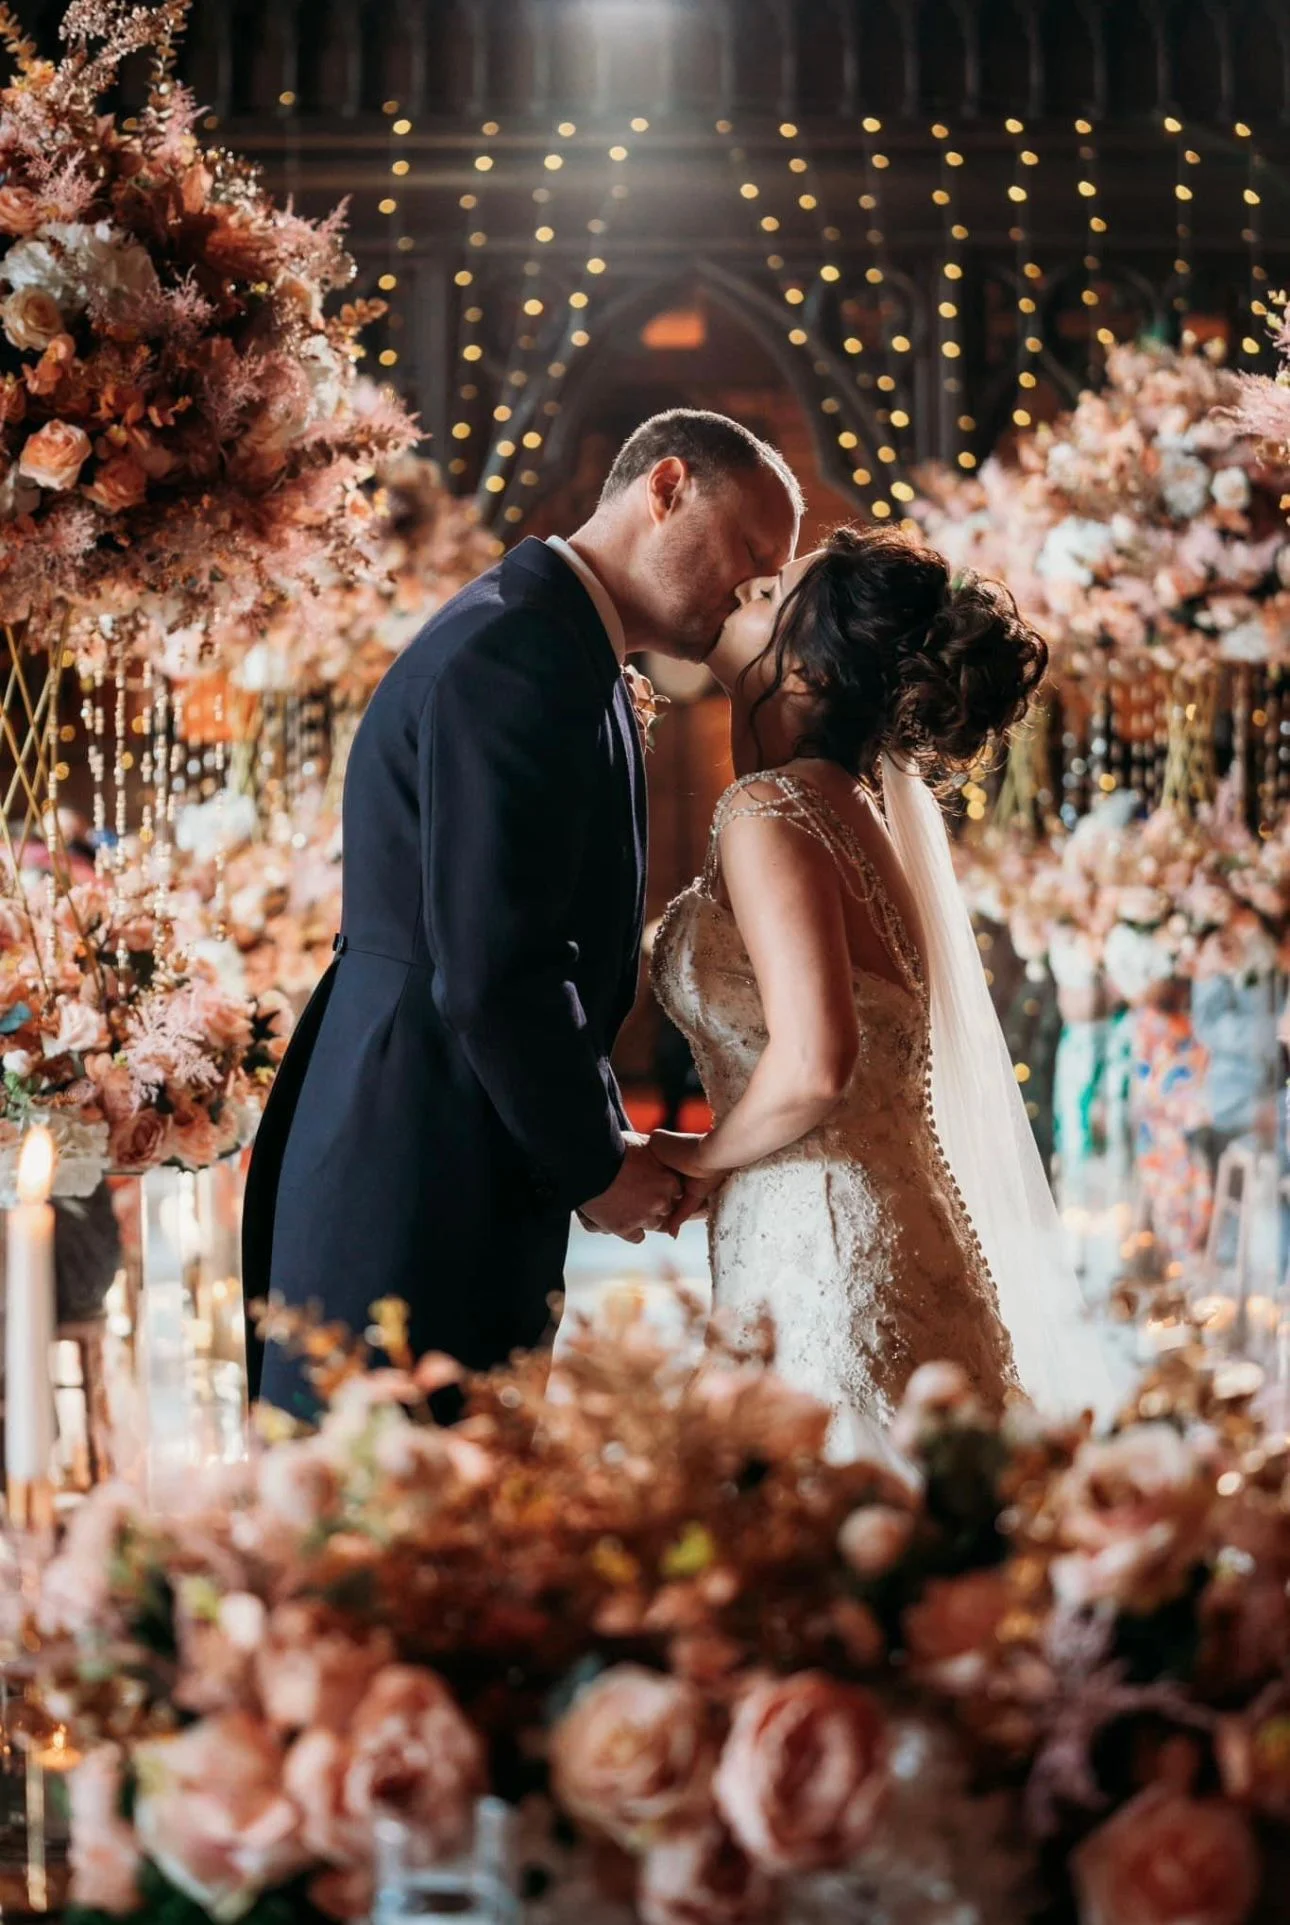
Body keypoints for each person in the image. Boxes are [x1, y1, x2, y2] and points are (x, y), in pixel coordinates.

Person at [243, 410, 801, 1415]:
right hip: (418, 1145)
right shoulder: (519, 648)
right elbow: (498, 963)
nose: (751, 589)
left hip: (458, 1121)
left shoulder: (560, 642)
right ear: (666, 487)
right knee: (391, 1471)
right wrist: (595, 1162)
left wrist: (596, 1139)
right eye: (751, 554)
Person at [650, 524, 1125, 1455]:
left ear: (809, 674)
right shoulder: (851, 809)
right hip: (879, 1219)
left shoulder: (769, 808)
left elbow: (816, 1065)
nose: (741, 591)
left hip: (824, 1242)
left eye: (765, 596)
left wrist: (700, 1159)